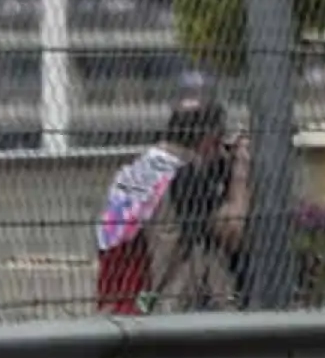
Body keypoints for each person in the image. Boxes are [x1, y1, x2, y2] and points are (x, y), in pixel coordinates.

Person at [94, 97, 243, 313]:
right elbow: (233, 231)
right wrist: (240, 171)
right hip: (158, 302)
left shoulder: (143, 166)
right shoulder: (186, 177)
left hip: (119, 296)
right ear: (209, 140)